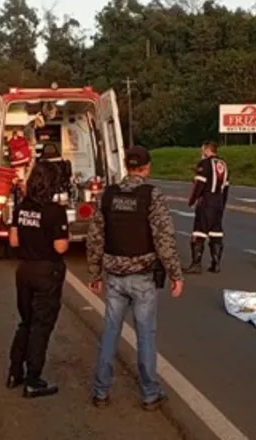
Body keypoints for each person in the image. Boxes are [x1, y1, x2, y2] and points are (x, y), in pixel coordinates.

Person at [86, 146, 184, 410]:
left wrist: (94, 273)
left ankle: (101, 391)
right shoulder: (152, 196)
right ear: (147, 167)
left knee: (110, 333)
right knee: (146, 336)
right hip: (142, 277)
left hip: (114, 277)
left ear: (127, 167)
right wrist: (176, 274)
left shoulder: (107, 195)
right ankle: (150, 393)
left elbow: (95, 237)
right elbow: (164, 239)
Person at [6, 161, 69, 398]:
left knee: (26, 322)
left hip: (24, 270)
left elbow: (13, 241)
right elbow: (60, 246)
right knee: (41, 327)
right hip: (47, 272)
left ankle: (15, 370)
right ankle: (33, 379)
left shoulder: (22, 207)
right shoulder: (55, 211)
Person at [185, 141, 229, 274]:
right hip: (219, 201)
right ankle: (216, 264)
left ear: (206, 150)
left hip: (207, 201)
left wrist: (192, 200)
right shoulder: (223, 164)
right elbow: (226, 187)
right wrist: (223, 203)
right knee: (216, 231)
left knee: (199, 231)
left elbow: (199, 184)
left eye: (202, 149)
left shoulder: (204, 164)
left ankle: (196, 264)